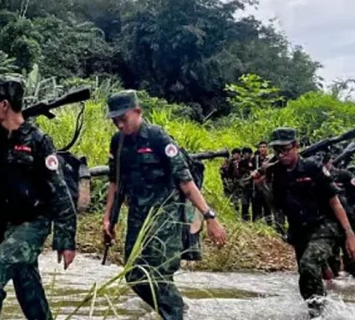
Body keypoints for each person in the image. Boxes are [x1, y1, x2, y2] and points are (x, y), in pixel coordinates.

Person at [0, 75, 77, 320]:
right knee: (28, 289)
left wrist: (66, 240)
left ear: (5, 104)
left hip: (34, 224)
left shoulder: (38, 141)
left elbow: (59, 192)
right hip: (10, 226)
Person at [102, 90, 227, 320]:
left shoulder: (158, 138)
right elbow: (115, 183)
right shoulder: (118, 143)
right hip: (137, 217)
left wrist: (209, 216)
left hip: (165, 217)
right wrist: (108, 218)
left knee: (158, 273)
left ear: (138, 112)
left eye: (123, 119)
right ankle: (176, 309)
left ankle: (175, 313)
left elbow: (186, 182)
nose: (119, 125)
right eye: (115, 120)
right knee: (133, 274)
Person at [256, 128, 355, 317]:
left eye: (286, 149)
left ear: (296, 147)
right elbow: (276, 206)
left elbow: (334, 201)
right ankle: (317, 311)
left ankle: (320, 314)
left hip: (324, 226)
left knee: (308, 264)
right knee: (306, 276)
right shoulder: (278, 173)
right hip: (299, 231)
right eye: (277, 151)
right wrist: (262, 184)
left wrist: (350, 236)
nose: (282, 155)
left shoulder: (312, 168)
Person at [323, 155, 355, 282]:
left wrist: (353, 212)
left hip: (351, 222)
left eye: (326, 161)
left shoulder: (344, 175)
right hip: (329, 225)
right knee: (331, 264)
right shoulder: (318, 176)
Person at [252, 141, 273, 225]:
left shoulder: (271, 159)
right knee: (256, 205)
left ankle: (269, 224)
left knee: (267, 206)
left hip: (267, 186)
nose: (262, 149)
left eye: (264, 147)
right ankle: (257, 224)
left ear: (267, 148)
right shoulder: (255, 159)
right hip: (257, 186)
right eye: (261, 147)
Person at [239, 147, 255, 221]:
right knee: (245, 203)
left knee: (255, 204)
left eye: (248, 153)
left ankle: (255, 219)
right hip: (244, 185)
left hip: (254, 185)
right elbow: (239, 173)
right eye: (245, 153)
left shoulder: (254, 161)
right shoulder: (241, 162)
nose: (246, 155)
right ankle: (244, 219)